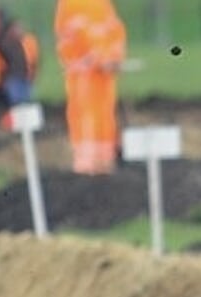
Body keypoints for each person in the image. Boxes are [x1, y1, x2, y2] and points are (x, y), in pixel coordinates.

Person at [54, 0, 125, 175]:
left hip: (100, 73)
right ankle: (87, 163)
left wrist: (114, 57)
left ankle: (104, 159)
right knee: (86, 115)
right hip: (84, 72)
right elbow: (75, 32)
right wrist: (103, 58)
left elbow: (114, 29)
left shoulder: (101, 5)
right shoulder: (72, 4)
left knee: (103, 113)